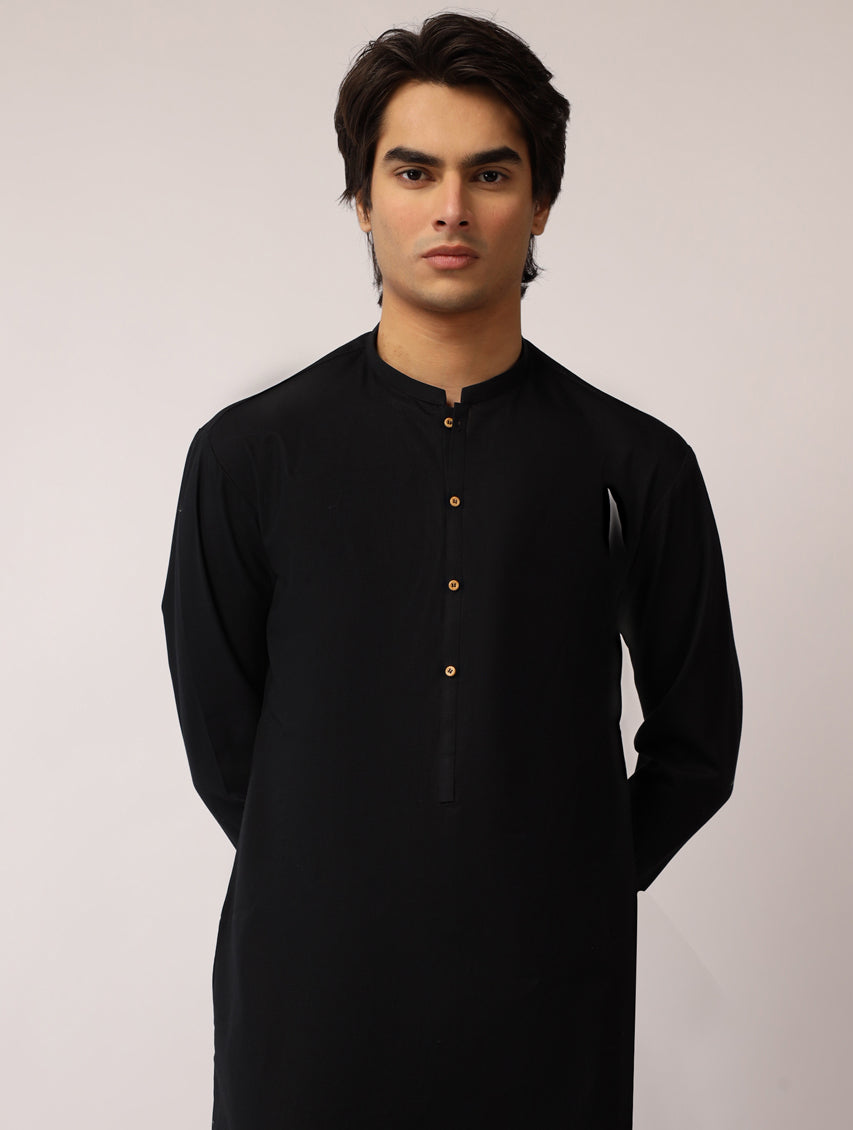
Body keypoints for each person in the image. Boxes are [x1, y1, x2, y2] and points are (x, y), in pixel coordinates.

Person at [161, 12, 742, 1129]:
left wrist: (569, 882)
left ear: (541, 201)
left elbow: (699, 738)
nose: (451, 209)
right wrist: (329, 871)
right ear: (361, 195)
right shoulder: (248, 457)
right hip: (307, 1001)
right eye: (414, 170)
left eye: (491, 173)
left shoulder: (635, 463)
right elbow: (223, 737)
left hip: (548, 1009)